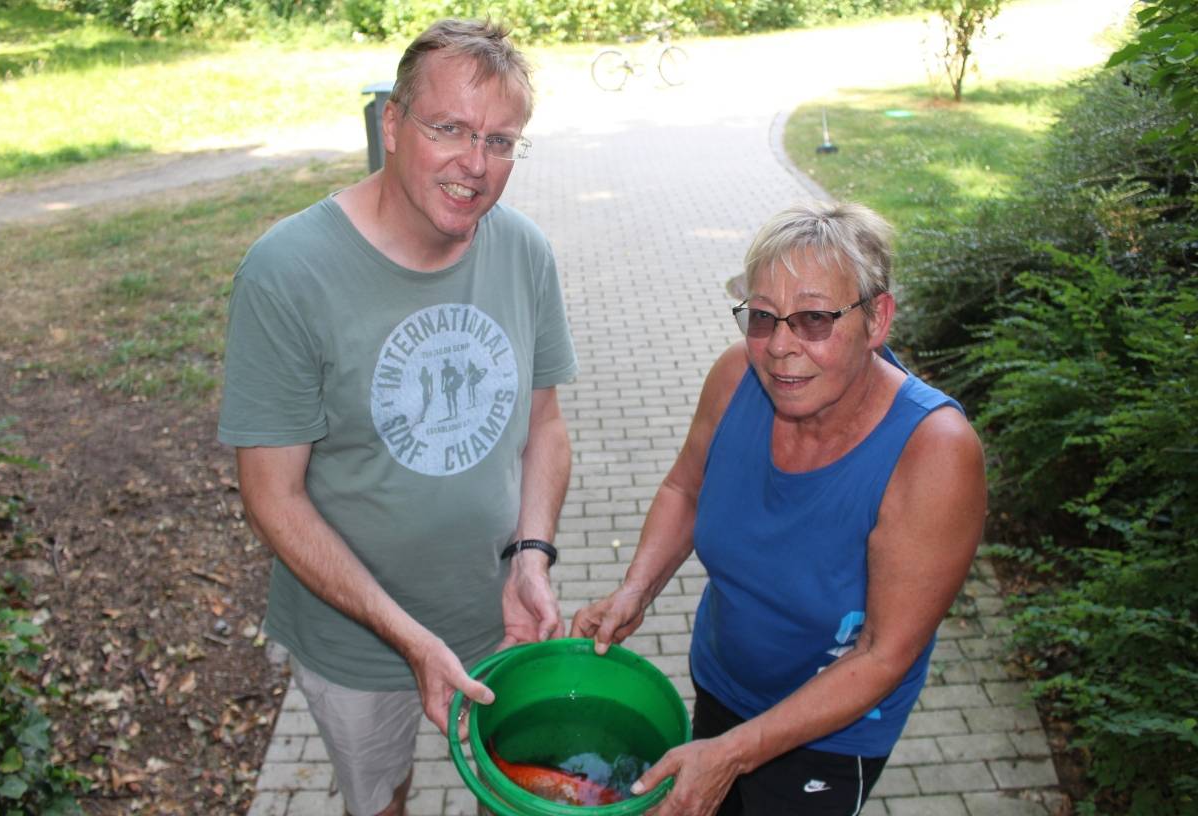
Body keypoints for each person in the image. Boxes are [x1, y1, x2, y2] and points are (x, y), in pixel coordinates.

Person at [217, 18, 577, 816]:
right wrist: (408, 639)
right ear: (391, 122)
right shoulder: (287, 272)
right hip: (356, 643)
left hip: (498, 618)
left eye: (501, 140)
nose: (474, 165)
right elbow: (273, 495)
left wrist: (532, 558)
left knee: (515, 798)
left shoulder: (523, 251)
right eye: (447, 128)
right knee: (382, 803)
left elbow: (544, 427)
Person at [572, 201, 986, 816]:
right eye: (762, 318)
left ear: (878, 320)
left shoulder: (934, 452)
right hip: (722, 683)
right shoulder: (738, 375)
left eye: (814, 319)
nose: (780, 348)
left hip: (833, 731)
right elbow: (686, 488)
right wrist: (636, 589)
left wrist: (735, 754)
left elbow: (883, 653)